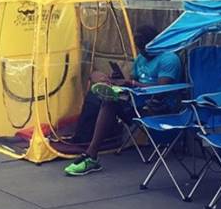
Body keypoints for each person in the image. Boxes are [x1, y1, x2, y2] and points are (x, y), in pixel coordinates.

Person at [63, 24, 182, 176]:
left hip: (158, 108)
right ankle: (86, 143)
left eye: (145, 49)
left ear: (154, 43)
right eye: (140, 49)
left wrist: (131, 84)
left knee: (110, 102)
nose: (142, 53)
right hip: (136, 103)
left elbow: (161, 90)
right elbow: (132, 80)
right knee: (102, 97)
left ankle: (91, 154)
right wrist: (118, 80)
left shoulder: (169, 59)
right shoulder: (141, 58)